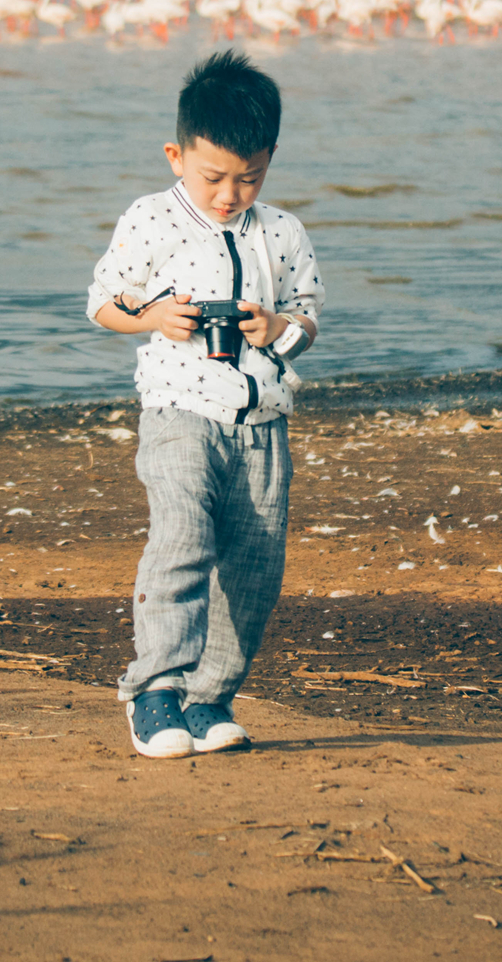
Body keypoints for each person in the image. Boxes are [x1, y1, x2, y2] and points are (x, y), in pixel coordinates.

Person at [86, 50, 324, 757]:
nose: (229, 194)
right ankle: (153, 690)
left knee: (255, 568)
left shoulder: (282, 232)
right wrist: (154, 316)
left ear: (270, 160)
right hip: (178, 413)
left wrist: (279, 329)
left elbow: (308, 318)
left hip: (262, 425)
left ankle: (208, 697)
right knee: (182, 538)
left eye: (248, 177)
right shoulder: (151, 220)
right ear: (176, 155)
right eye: (213, 176)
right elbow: (104, 301)